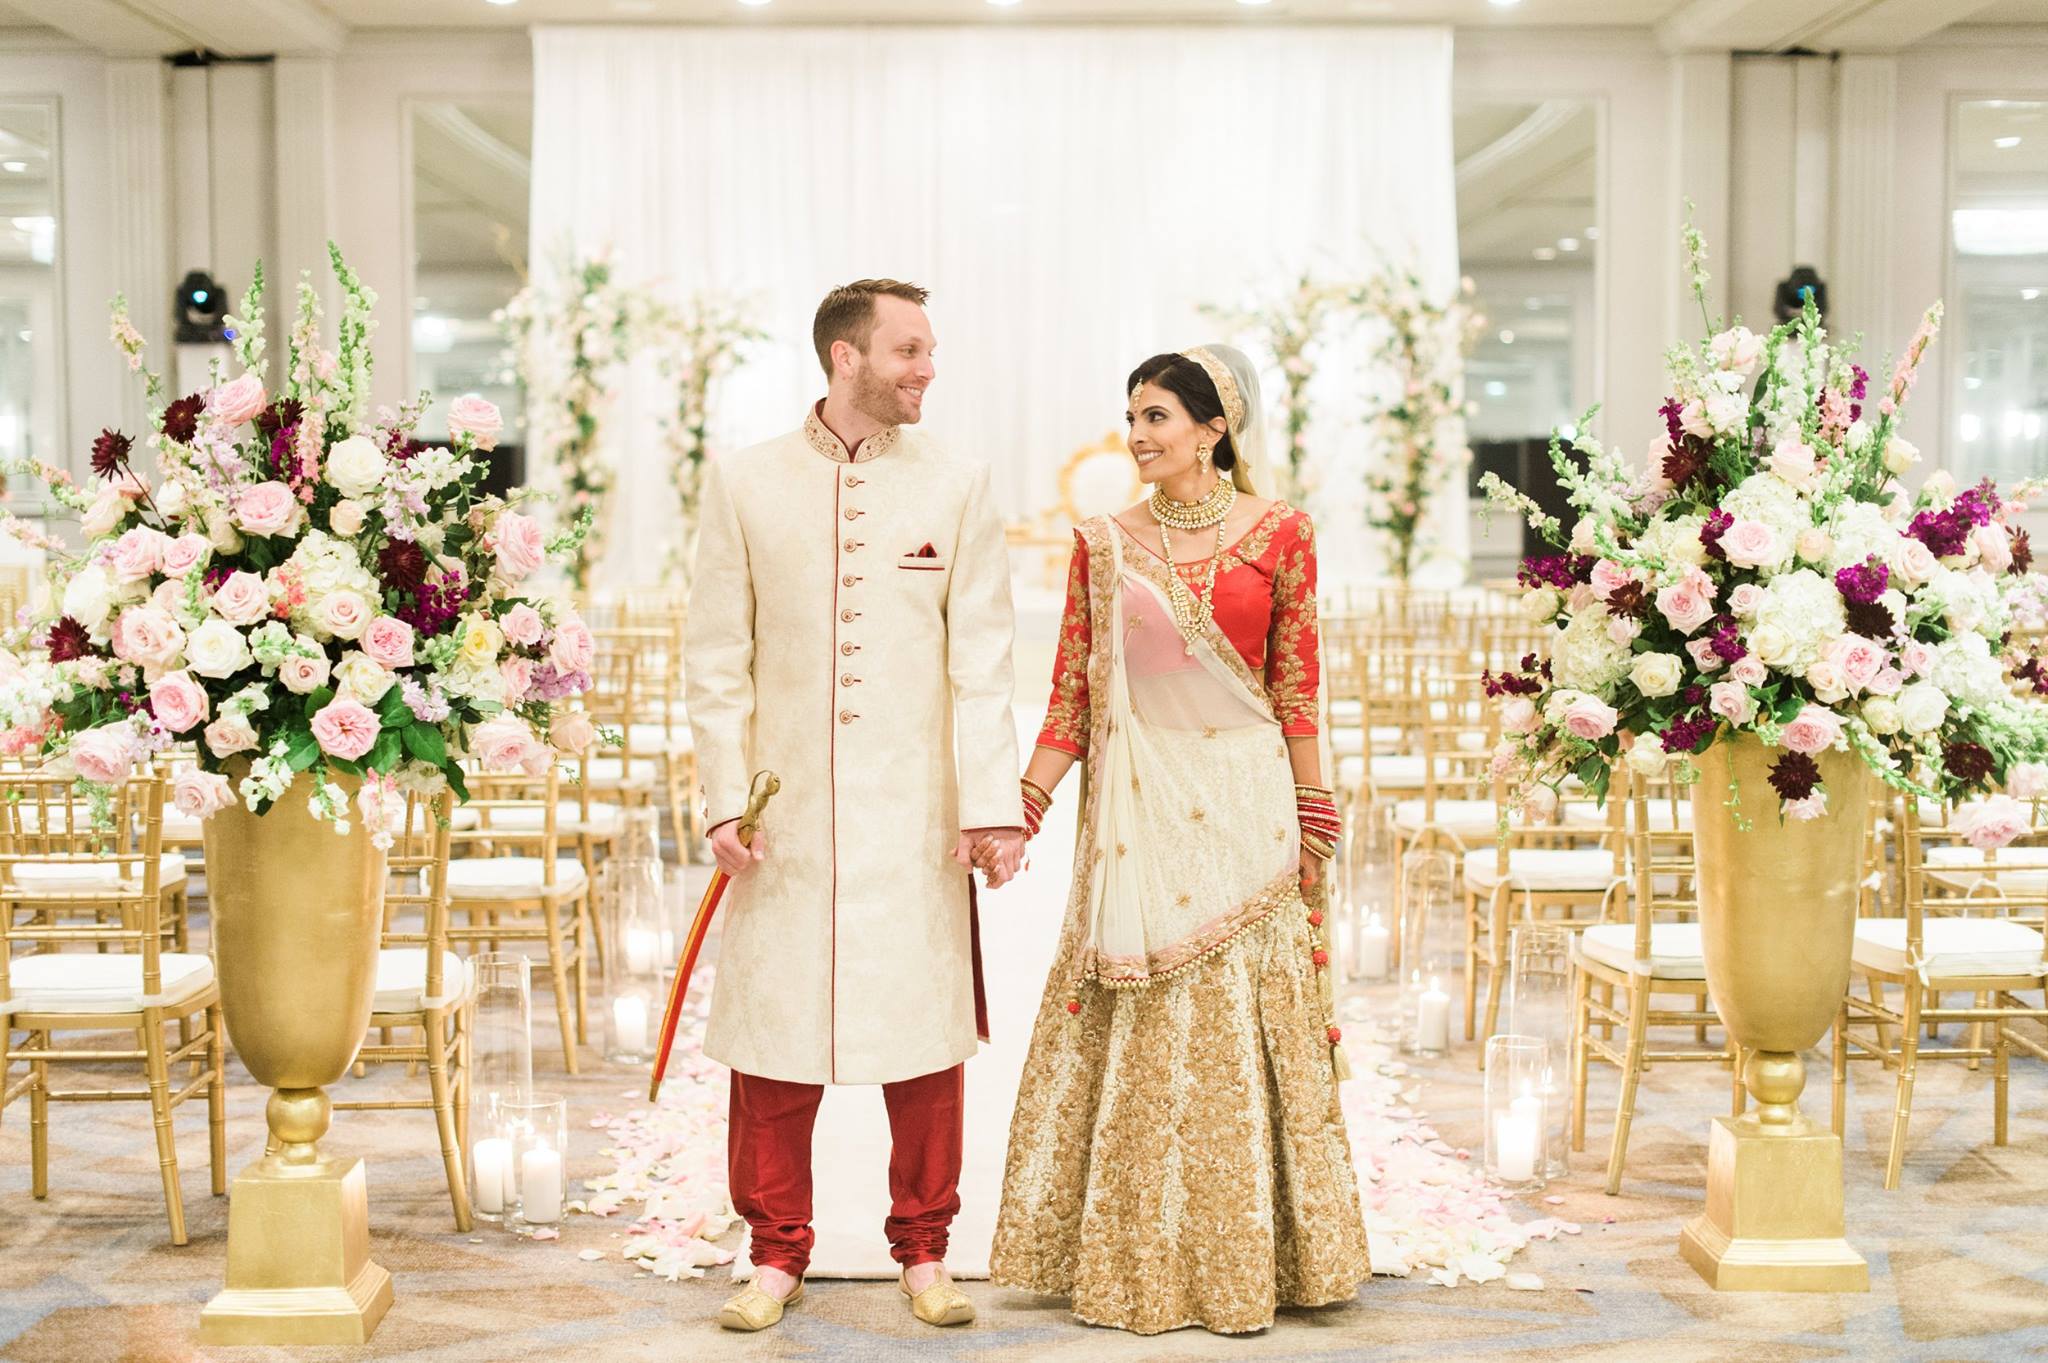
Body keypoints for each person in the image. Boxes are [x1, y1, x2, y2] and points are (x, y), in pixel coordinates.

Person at [986, 345, 1367, 1335]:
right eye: (1133, 413)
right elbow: (1072, 692)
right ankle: (1134, 1256)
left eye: (1156, 415)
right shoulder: (1104, 543)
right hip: (1142, 815)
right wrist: (1023, 801)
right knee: (1151, 1026)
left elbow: (1294, 681)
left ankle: (1267, 1254)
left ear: (1213, 428)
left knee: (1246, 1026)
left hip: (1248, 805)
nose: (1137, 433)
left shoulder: (1281, 532)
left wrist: (1313, 800)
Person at [685, 279, 1026, 1332]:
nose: (927, 368)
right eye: (909, 350)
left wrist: (988, 806)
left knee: (921, 1044)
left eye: (927, 350)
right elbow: (715, 658)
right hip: (783, 822)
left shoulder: (958, 482)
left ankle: (924, 1252)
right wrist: (721, 799)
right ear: (846, 357)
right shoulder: (745, 483)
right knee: (772, 1042)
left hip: (910, 819)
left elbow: (982, 660)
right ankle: (773, 1253)